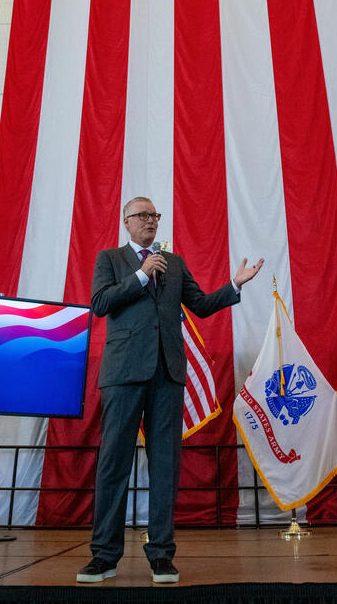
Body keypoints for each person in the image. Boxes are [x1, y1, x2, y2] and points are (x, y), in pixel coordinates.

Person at [77, 196, 263, 585]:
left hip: (167, 375)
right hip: (124, 374)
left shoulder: (174, 262)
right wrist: (142, 275)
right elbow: (99, 303)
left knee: (165, 467)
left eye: (155, 215)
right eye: (143, 216)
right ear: (126, 221)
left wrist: (233, 285)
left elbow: (200, 304)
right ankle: (104, 557)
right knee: (114, 464)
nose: (151, 221)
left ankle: (161, 555)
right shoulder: (109, 259)